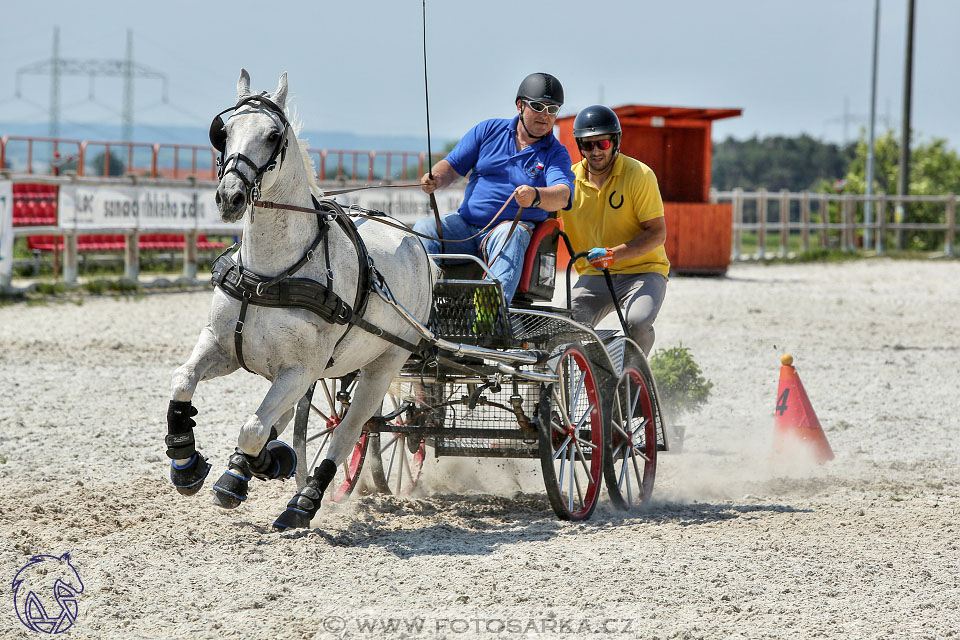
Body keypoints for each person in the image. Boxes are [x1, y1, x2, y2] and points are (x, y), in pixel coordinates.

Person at [414, 72, 575, 304]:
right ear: (520, 105)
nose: (545, 115)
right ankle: (423, 304)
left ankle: (491, 315)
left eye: (552, 109)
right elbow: (451, 166)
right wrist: (435, 178)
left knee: (511, 234)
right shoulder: (488, 130)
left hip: (507, 231)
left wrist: (535, 196)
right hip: (466, 227)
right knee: (424, 227)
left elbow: (562, 194)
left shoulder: (556, 153)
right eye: (538, 106)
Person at [560, 105, 669, 355]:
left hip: (643, 271)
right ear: (580, 146)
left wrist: (614, 254)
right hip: (594, 275)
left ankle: (636, 376)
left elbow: (657, 233)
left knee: (637, 322)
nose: (595, 151)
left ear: (615, 142)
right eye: (588, 145)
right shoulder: (568, 180)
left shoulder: (640, 175)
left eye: (602, 144)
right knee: (561, 328)